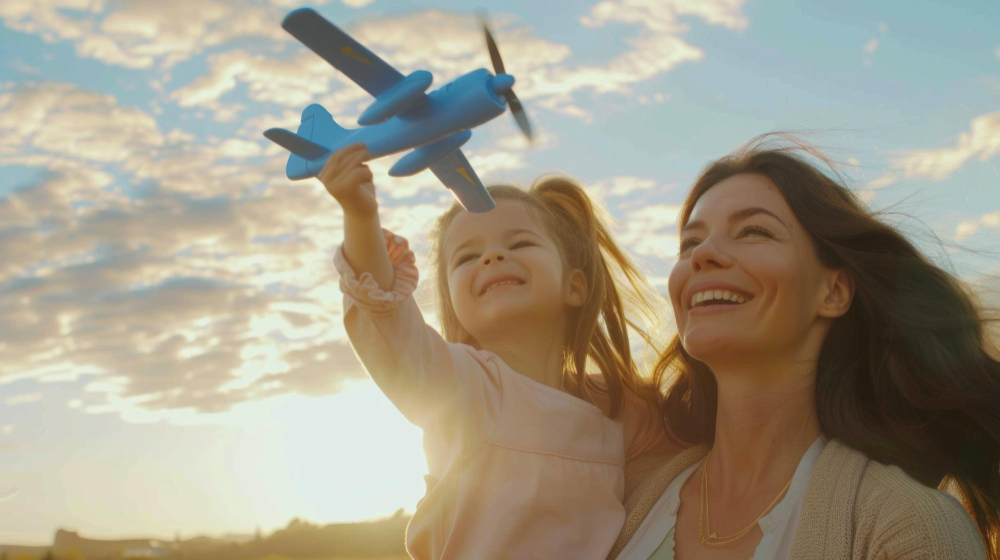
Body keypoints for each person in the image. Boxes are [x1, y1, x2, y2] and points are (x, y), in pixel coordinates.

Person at [608, 136, 999, 560]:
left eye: (754, 232)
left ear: (833, 292)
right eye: (690, 243)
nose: (703, 255)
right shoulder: (625, 494)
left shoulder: (909, 526)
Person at [320, 143, 680, 559]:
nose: (492, 256)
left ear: (574, 286)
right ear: (452, 301)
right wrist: (361, 218)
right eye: (467, 257)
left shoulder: (616, 408)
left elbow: (712, 437)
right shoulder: (464, 389)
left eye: (521, 243)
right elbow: (388, 323)